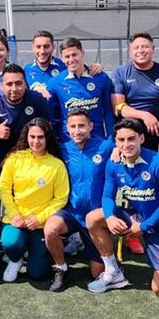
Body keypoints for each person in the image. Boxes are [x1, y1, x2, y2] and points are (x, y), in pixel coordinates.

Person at [97, 119, 159, 296]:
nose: (126, 144)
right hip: (136, 217)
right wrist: (110, 217)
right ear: (116, 142)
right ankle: (112, 270)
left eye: (131, 139)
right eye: (121, 140)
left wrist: (144, 227)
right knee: (94, 218)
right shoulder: (114, 164)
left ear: (141, 139)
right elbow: (107, 196)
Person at [43, 111, 112, 292]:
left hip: (95, 218)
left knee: (96, 272)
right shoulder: (62, 149)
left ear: (90, 126)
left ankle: (89, 248)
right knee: (50, 229)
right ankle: (62, 268)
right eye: (73, 126)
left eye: (82, 126)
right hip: (71, 212)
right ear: (66, 128)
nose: (77, 130)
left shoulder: (106, 147)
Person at [0, 118, 69, 283]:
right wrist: (14, 214)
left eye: (40, 137)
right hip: (17, 220)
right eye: (32, 137)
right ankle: (16, 259)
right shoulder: (14, 159)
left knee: (37, 274)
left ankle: (33, 252)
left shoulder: (57, 165)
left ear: (47, 138)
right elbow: (4, 189)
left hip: (40, 223)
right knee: (10, 243)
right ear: (26, 137)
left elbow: (61, 198)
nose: (36, 141)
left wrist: (40, 218)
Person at [111, 33, 159, 152]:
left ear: (153, 49)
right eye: (136, 47)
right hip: (131, 126)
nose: (141, 50)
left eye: (145, 46)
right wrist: (144, 115)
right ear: (130, 51)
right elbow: (118, 107)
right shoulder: (120, 73)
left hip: (157, 126)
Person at [0, 63, 51, 169]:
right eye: (9, 84)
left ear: (25, 83)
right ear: (1, 85)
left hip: (32, 158)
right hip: (4, 159)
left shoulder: (37, 99)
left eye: (18, 83)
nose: (14, 89)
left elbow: (48, 129)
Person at [46, 37, 115, 142]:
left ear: (82, 53)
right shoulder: (54, 83)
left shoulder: (101, 78)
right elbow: (51, 116)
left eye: (74, 55)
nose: (71, 60)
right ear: (62, 58)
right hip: (69, 144)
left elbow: (108, 111)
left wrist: (111, 139)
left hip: (98, 142)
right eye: (67, 56)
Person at [24, 30, 65, 95]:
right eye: (38, 47)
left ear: (53, 47)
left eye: (46, 46)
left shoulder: (64, 67)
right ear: (32, 48)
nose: (42, 51)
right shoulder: (26, 70)